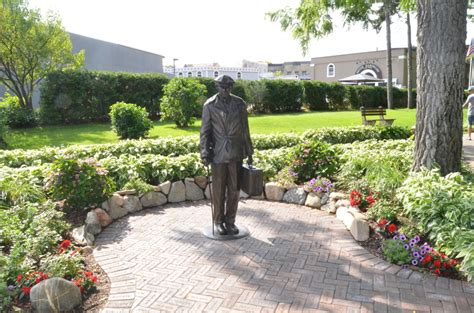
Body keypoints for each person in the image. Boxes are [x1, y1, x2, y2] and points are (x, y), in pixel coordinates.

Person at [200, 75, 253, 235]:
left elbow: (245, 129)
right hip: (218, 154)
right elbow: (204, 131)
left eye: (228, 87)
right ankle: (218, 221)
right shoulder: (209, 105)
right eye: (222, 87)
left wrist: (249, 151)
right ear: (217, 87)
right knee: (218, 190)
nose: (225, 90)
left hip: (236, 153)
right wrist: (204, 152)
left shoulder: (239, 104)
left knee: (234, 189)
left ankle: (230, 221)